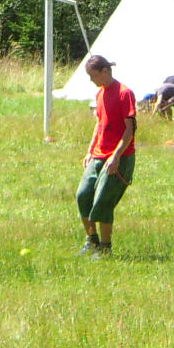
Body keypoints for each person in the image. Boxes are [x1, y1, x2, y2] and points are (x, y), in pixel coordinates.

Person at [75, 54, 136, 256]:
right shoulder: (100, 94)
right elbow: (99, 124)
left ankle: (105, 248)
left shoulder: (124, 93)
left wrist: (116, 156)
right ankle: (91, 240)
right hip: (98, 155)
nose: (91, 80)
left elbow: (130, 129)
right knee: (83, 195)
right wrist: (89, 151)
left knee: (103, 201)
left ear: (105, 71)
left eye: (93, 75)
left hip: (120, 157)